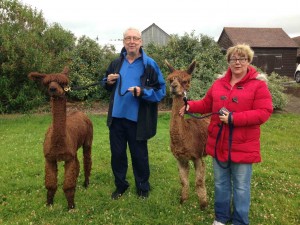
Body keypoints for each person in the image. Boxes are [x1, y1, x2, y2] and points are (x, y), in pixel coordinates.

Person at [179, 44, 273, 225]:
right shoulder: (219, 84)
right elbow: (207, 104)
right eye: (233, 59)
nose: (237, 62)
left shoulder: (258, 85)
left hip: (243, 144)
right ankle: (221, 218)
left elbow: (264, 111)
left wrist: (234, 118)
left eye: (242, 58)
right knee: (221, 184)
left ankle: (239, 220)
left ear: (248, 61)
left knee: (241, 186)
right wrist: (190, 105)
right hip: (219, 142)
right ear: (228, 61)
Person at [102, 27, 166, 200]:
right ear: (123, 42)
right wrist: (107, 81)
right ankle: (120, 185)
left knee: (139, 156)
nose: (131, 41)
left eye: (135, 38)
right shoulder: (116, 63)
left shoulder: (149, 64)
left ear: (141, 42)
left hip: (137, 119)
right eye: (128, 38)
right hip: (116, 118)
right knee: (117, 155)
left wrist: (142, 92)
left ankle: (143, 188)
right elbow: (105, 82)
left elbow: (161, 90)